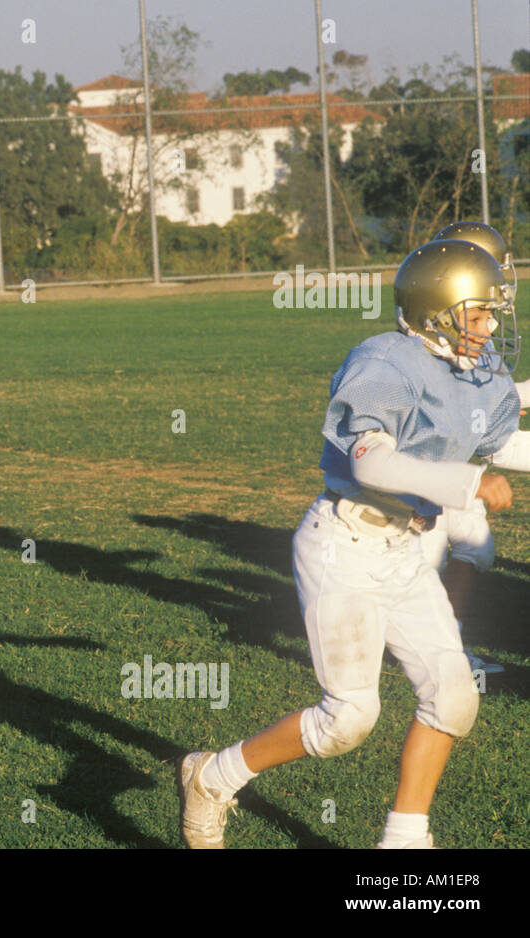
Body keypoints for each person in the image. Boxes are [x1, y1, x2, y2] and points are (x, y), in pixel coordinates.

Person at [180, 238, 529, 849]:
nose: (491, 326)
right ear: (436, 311)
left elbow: (500, 442)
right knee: (347, 719)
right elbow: (370, 463)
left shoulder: (471, 368)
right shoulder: (384, 363)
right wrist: (467, 482)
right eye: (478, 314)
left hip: (405, 550)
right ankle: (214, 776)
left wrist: (480, 470)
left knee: (453, 696)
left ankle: (403, 844)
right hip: (343, 543)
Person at [418, 222, 525, 676]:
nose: (505, 280)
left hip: (454, 469)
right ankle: (420, 654)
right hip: (423, 477)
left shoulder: (469, 333)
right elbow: (495, 440)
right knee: (422, 563)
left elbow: (493, 405)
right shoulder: (437, 347)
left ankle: (449, 645)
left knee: (473, 547)